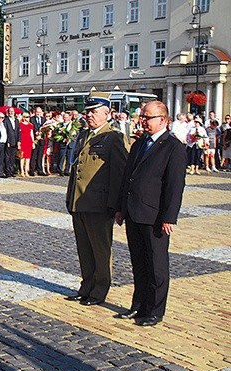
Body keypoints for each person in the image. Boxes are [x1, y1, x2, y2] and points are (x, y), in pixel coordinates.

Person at [114, 101, 186, 326]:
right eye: (142, 117)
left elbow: (175, 185)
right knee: (139, 263)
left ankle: (155, 310)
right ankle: (138, 305)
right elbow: (127, 178)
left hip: (155, 216)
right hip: (134, 212)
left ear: (163, 120)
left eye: (148, 117)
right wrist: (120, 208)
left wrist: (169, 217)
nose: (143, 121)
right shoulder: (139, 143)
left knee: (157, 266)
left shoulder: (173, 147)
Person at [65, 92, 129, 306]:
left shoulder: (114, 137)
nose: (89, 115)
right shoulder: (83, 135)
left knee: (101, 250)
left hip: (99, 205)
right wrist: (70, 198)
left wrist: (116, 205)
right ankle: (86, 286)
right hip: (79, 201)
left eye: (94, 112)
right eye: (87, 111)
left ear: (107, 113)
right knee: (84, 249)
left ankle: (99, 290)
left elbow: (119, 175)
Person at [4, 107, 20, 177]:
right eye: (10, 111)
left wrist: (19, 141)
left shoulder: (16, 120)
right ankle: (7, 171)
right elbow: (5, 132)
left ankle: (11, 170)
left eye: (12, 111)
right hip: (9, 141)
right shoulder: (6, 120)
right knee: (8, 157)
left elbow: (18, 132)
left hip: (15, 141)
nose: (11, 113)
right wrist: (7, 141)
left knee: (13, 158)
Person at [18, 113, 34, 177]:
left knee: (28, 157)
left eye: (28, 117)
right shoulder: (20, 124)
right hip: (23, 141)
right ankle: (22, 171)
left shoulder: (30, 125)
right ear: (23, 117)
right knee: (22, 157)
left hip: (28, 141)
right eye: (26, 117)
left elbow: (31, 134)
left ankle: (26, 171)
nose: (27, 118)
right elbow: (19, 133)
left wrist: (33, 142)